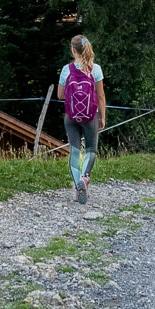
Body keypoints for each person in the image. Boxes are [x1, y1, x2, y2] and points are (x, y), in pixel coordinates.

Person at [60, 33, 105, 204]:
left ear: (73, 50)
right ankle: (84, 179)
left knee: (74, 150)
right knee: (91, 149)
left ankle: (76, 186)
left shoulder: (66, 69)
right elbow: (101, 96)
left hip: (71, 116)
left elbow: (60, 94)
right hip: (90, 116)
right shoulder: (96, 69)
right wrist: (102, 116)